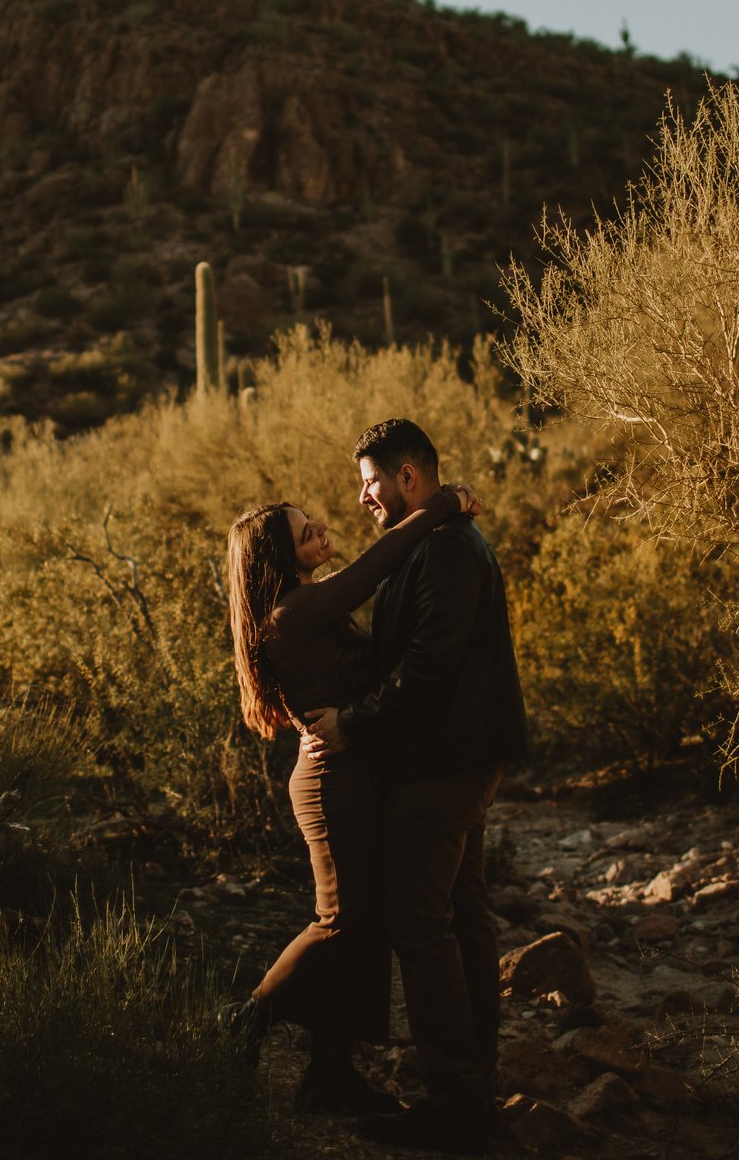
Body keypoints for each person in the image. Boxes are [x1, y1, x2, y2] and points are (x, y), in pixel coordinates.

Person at [304, 417, 529, 1156]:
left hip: (444, 762)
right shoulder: (431, 544)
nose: (364, 497)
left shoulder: (447, 551)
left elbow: (428, 669)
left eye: (371, 482)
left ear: (409, 477)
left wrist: (354, 724)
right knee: (462, 916)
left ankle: (458, 1103)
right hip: (456, 756)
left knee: (421, 926)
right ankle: (472, 1083)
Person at [226, 477, 481, 1117]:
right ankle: (241, 1025)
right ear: (277, 556)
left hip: (352, 774)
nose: (317, 528)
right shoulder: (292, 611)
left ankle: (330, 1073)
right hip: (330, 784)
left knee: (364, 929)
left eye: (310, 519)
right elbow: (375, 567)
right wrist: (440, 507)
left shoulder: (308, 606)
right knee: (339, 922)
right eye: (301, 529)